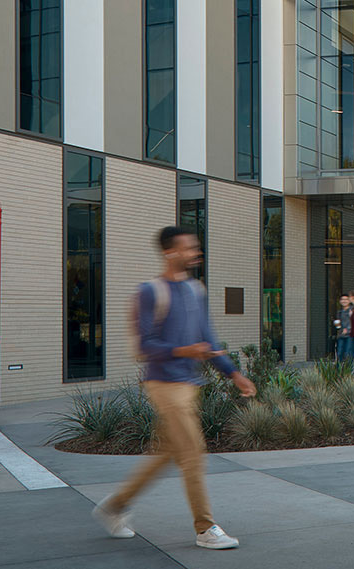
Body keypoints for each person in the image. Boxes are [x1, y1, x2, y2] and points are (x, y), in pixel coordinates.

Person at [94, 226, 256, 551]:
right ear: (170, 252)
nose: (195, 252)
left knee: (169, 453)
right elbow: (144, 345)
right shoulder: (151, 291)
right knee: (194, 454)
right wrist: (183, 351)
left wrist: (233, 373)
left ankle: (115, 505)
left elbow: (208, 339)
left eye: (195, 247)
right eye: (188, 248)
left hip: (189, 383)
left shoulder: (196, 289)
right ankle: (205, 527)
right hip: (163, 384)